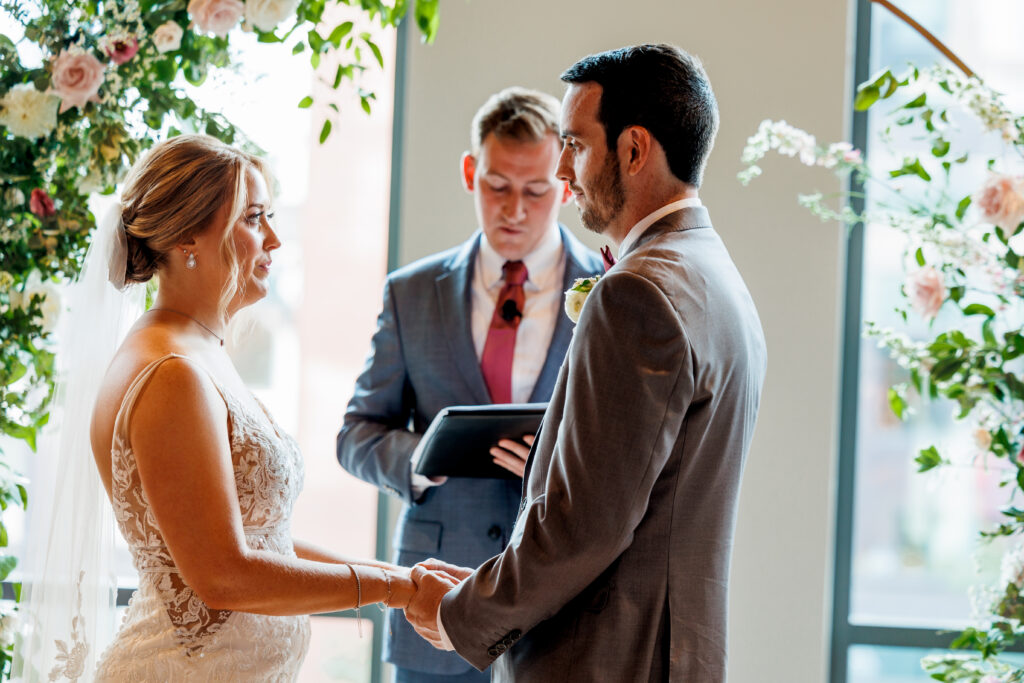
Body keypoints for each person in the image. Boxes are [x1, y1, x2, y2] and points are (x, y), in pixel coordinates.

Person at [404, 44, 768, 682]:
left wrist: (462, 614)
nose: (562, 170)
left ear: (632, 149)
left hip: (607, 661)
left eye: (573, 144)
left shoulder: (637, 292)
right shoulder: (714, 273)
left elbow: (584, 526)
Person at [15, 134, 415, 682]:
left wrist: (394, 575)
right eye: (254, 218)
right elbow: (223, 574)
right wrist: (394, 590)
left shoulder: (199, 350)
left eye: (269, 215)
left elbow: (255, 536)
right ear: (187, 239)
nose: (273, 238)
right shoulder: (171, 373)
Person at [337, 87, 602, 682]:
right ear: (469, 173)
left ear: (563, 182)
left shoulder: (609, 290)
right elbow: (355, 434)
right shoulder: (411, 292)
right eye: (497, 186)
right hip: (433, 610)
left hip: (558, 610)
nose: (515, 209)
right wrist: (423, 456)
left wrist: (557, 464)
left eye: (535, 191)